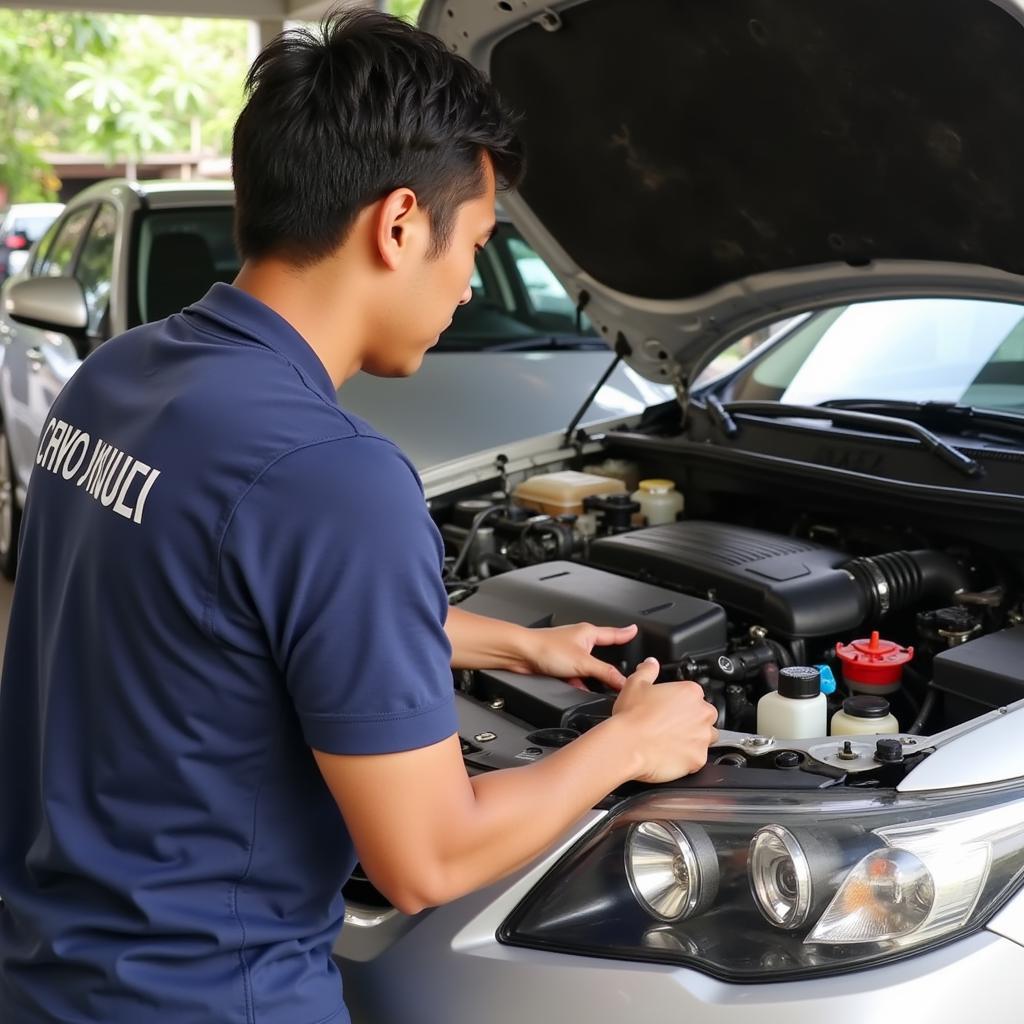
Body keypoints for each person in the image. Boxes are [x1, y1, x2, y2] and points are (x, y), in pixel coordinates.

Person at [0, 9, 718, 1024]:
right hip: (213, 997)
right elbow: (429, 855)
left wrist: (512, 643)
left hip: (48, 975)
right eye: (473, 243)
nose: (470, 286)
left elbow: (214, 607)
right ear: (396, 226)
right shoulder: (331, 474)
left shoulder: (115, 381)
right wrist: (628, 744)